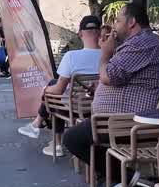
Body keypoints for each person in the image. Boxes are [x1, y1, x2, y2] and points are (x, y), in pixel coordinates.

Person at [61, 3, 159, 187]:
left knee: (73, 138)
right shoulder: (138, 43)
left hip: (131, 123)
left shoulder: (142, 43)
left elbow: (109, 76)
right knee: (83, 136)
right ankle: (113, 179)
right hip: (123, 119)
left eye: (118, 21)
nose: (114, 25)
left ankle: (124, 177)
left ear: (132, 23)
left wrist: (105, 53)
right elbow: (117, 76)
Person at [17, 15, 104, 156]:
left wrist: (45, 90)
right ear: (99, 32)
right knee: (55, 92)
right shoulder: (109, 55)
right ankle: (39, 127)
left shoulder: (71, 56)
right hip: (100, 105)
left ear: (80, 33)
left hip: (76, 108)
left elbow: (59, 89)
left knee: (52, 93)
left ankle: (52, 140)